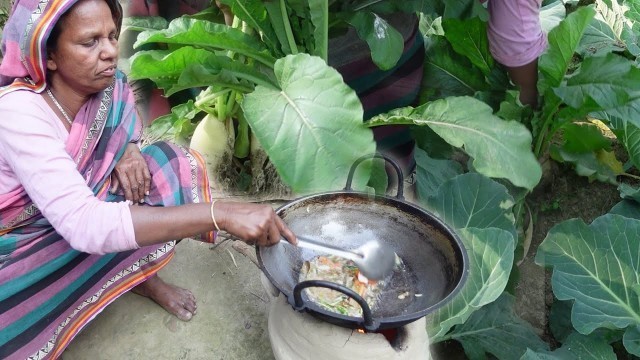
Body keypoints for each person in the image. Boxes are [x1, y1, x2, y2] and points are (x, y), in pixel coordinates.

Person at [0, 0, 296, 358]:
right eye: (90, 42)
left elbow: (120, 123)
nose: (110, 50)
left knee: (164, 168)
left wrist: (129, 148)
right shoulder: (19, 114)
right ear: (48, 56)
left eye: (111, 35)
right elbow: (83, 224)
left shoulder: (104, 86)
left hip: (70, 209)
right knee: (23, 319)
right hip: (20, 238)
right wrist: (220, 214)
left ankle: (141, 278)